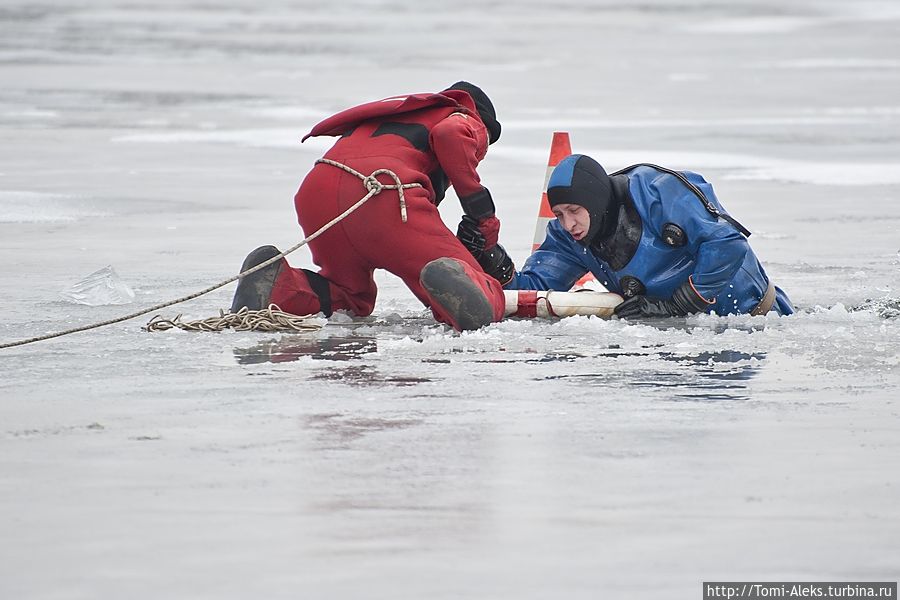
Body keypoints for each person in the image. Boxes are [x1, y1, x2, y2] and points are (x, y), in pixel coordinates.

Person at [230, 82, 509, 331]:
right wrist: (483, 218)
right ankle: (461, 284)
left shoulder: (398, 114)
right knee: (477, 287)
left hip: (317, 193)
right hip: (382, 192)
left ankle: (279, 289)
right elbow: (451, 134)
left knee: (351, 297)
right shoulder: (465, 116)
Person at [458, 153, 794, 318]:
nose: (568, 223)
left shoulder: (659, 193)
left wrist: (676, 304)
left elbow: (728, 244)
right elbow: (535, 290)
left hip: (756, 324)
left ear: (595, 201)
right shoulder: (567, 238)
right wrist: (490, 259)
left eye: (574, 210)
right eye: (559, 214)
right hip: (677, 346)